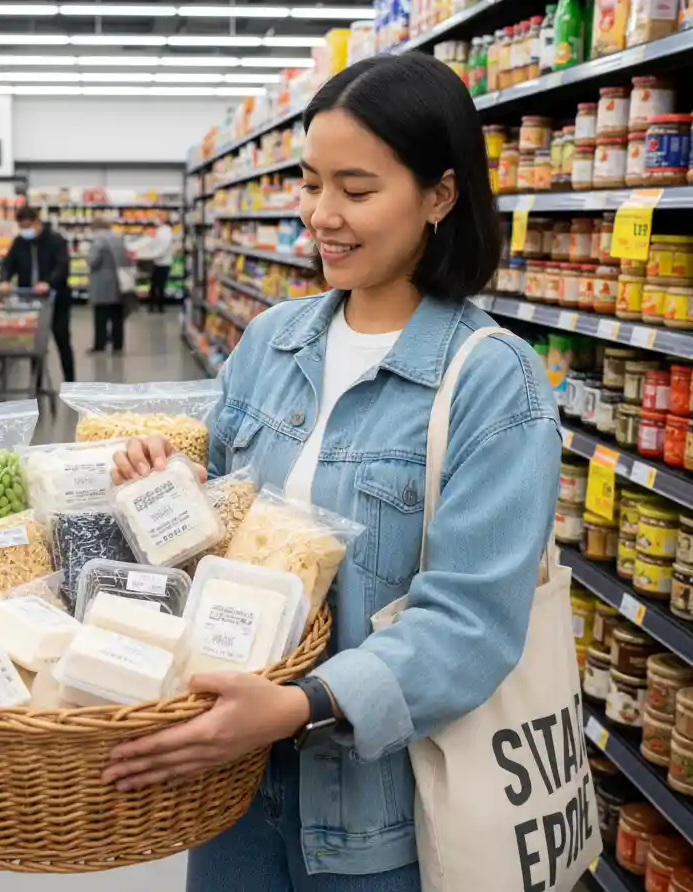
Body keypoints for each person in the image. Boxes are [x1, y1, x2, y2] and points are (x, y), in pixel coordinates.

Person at [104, 53, 561, 891]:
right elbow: (221, 532)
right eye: (311, 184)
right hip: (232, 785)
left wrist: (303, 704)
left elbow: (471, 622)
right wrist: (163, 486)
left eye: (356, 190)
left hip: (378, 819)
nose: (321, 216)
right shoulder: (271, 341)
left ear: (440, 196)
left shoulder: (494, 381)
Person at [0, 207, 74, 383]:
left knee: (62, 340)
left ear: (37, 222)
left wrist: (49, 283)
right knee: (35, 343)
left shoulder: (56, 241)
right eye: (21, 227)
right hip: (30, 300)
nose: (25, 231)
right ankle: (36, 383)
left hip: (56, 300)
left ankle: (70, 381)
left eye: (27, 226)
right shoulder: (19, 242)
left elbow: (62, 266)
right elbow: (7, 265)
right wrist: (5, 280)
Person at [86, 219, 130, 354]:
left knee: (100, 316)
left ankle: (100, 344)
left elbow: (93, 261)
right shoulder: (118, 239)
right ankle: (118, 345)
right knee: (117, 316)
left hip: (101, 283)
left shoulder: (98, 241)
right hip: (118, 282)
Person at [142, 217, 175, 313]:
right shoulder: (165, 232)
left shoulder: (165, 233)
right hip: (163, 262)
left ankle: (155, 306)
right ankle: (157, 306)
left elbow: (160, 249)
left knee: (156, 285)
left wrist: (149, 255)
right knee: (159, 285)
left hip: (162, 263)